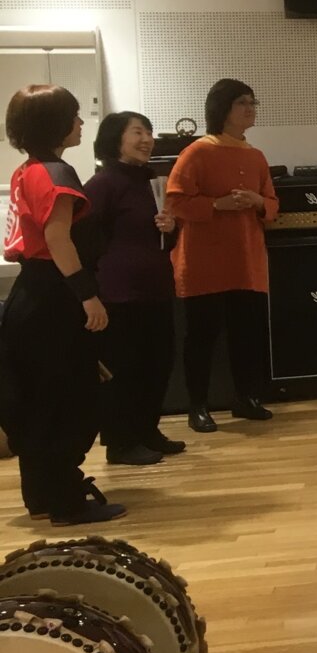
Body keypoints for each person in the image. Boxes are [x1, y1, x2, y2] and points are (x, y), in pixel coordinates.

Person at [0, 84, 125, 524]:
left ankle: (42, 496)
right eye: (73, 115)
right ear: (54, 123)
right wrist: (87, 295)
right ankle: (67, 501)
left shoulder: (27, 171)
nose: (80, 122)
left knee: (39, 399)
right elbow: (58, 239)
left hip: (29, 295)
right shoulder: (56, 173)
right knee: (69, 398)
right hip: (55, 295)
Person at [167, 78, 277, 433]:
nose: (250, 109)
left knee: (247, 335)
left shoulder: (256, 156)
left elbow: (272, 204)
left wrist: (258, 202)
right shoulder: (196, 152)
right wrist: (218, 204)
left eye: (252, 102)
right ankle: (197, 406)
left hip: (246, 261)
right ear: (222, 109)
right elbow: (175, 202)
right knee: (201, 337)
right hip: (205, 262)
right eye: (242, 102)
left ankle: (246, 398)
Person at [82, 111, 185, 466]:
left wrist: (171, 227)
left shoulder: (150, 180)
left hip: (155, 287)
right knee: (124, 369)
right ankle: (121, 442)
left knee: (157, 364)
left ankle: (147, 430)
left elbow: (162, 240)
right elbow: (86, 238)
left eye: (149, 132)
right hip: (119, 293)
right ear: (116, 139)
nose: (147, 139)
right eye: (137, 132)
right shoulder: (103, 184)